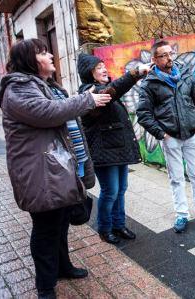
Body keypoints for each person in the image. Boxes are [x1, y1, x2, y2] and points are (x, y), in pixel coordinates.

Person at [0, 39, 112, 299]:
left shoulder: (46, 85)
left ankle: (63, 267)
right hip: (39, 171)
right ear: (30, 60)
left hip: (56, 167)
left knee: (60, 223)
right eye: (42, 52)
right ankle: (45, 287)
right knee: (46, 228)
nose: (50, 55)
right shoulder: (19, 88)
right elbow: (48, 112)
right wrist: (87, 100)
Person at [136, 40, 195, 233]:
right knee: (176, 178)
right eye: (164, 55)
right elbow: (143, 114)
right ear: (154, 59)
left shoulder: (185, 76)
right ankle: (182, 214)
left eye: (170, 53)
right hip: (170, 137)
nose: (169, 58)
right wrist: (161, 134)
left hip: (192, 134)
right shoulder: (149, 83)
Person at [77, 53, 150, 244]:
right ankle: (105, 228)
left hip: (118, 149)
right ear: (89, 73)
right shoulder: (89, 93)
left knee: (121, 189)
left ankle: (119, 225)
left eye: (103, 66)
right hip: (104, 151)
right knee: (110, 191)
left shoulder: (105, 90)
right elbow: (113, 90)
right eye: (98, 67)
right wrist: (135, 74)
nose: (104, 69)